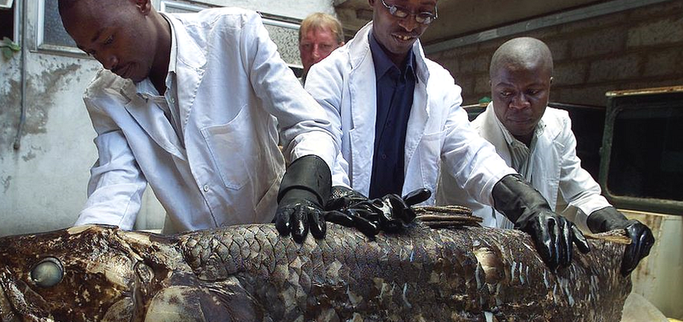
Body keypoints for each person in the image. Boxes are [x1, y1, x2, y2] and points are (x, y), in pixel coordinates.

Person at [304, 0, 591, 271]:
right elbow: (320, 147)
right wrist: (352, 203)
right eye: (399, 10)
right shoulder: (330, 75)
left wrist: (531, 207)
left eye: (424, 14)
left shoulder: (439, 84)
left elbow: (471, 155)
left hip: (407, 251)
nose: (409, 25)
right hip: (340, 247)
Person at [58, 0, 344, 242]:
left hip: (272, 234)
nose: (107, 61)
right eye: (92, 52)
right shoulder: (105, 97)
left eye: (108, 40)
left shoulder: (234, 35)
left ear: (142, 2)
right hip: (193, 251)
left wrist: (303, 189)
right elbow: (114, 186)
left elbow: (308, 124)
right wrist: (89, 250)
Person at [437, 37, 654, 275]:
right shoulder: (467, 147)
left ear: (549, 86)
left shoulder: (557, 126)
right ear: (491, 87)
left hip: (532, 272)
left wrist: (614, 223)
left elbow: (579, 193)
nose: (519, 104)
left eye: (532, 92)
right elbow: (476, 235)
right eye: (506, 93)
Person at [298, 13, 344, 84]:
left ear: (340, 50)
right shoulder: (286, 92)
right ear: (300, 48)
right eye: (307, 45)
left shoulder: (352, 93)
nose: (315, 54)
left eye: (324, 46)